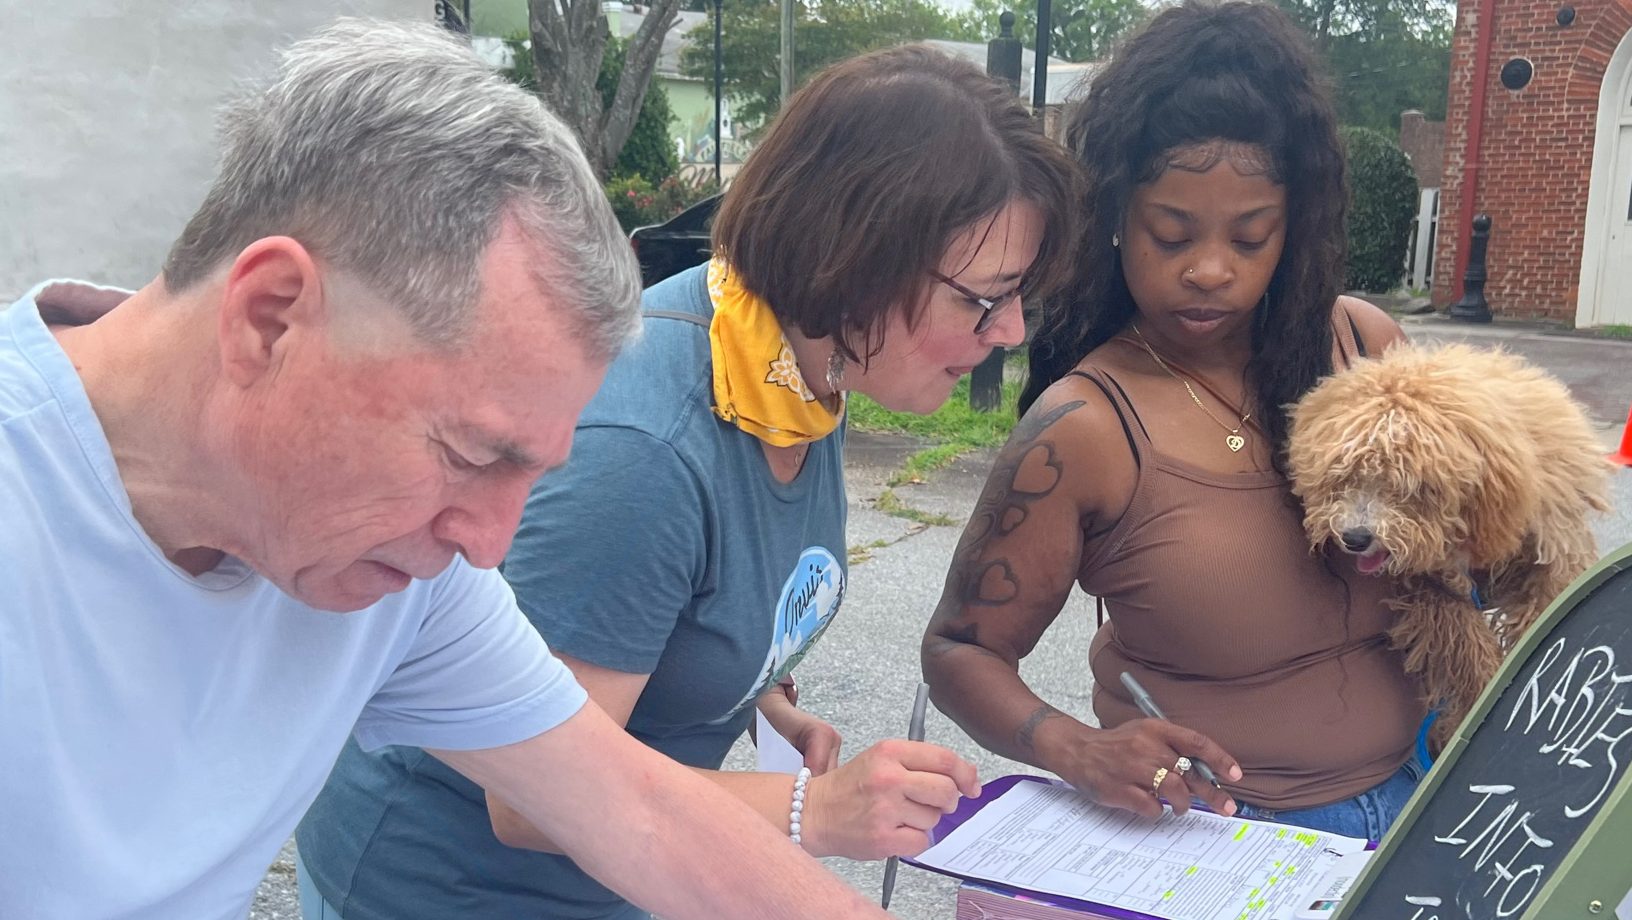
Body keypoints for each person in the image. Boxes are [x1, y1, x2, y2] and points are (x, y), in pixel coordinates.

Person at [0, 19, 894, 920]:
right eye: (472, 455)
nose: (490, 545)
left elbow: (632, 809)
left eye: (530, 475)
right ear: (269, 318)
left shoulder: (384, 559)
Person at [296, 43, 1079, 919]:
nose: (1010, 330)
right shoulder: (647, 451)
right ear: (856, 263)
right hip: (452, 889)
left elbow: (680, 601)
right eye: (983, 298)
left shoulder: (796, 373)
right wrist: (815, 808)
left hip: (629, 872)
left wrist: (759, 696)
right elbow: (528, 799)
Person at [920, 0, 1427, 842]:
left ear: (1294, 229)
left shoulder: (1365, 349)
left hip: (1429, 797)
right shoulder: (1085, 427)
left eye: (1251, 237)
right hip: (1225, 838)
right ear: (1115, 218)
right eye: (1171, 233)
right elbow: (959, 652)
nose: (1210, 270)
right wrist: (1077, 749)